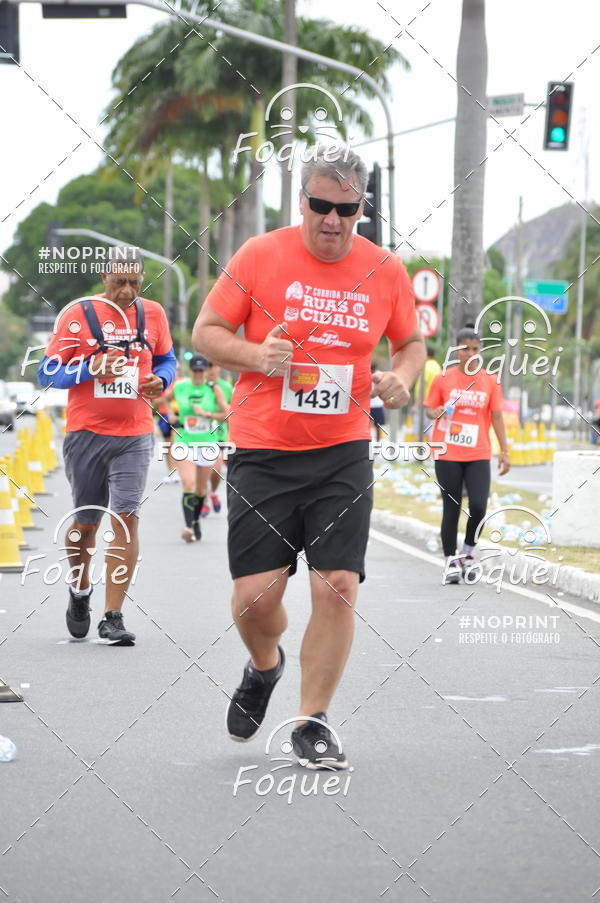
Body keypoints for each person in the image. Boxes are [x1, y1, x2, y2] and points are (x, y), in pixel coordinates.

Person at [193, 145, 425, 769]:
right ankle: (264, 667)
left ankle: (312, 721)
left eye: (346, 209)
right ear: (302, 201)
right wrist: (253, 356)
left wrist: (402, 376)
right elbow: (206, 330)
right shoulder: (260, 255)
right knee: (254, 599)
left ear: (361, 208)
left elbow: (410, 342)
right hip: (264, 451)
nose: (332, 220)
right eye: (320, 205)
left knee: (338, 584)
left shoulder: (385, 270)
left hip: (343, 450)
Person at [38, 247, 176, 644]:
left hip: (134, 433)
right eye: (120, 283)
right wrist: (87, 368)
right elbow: (47, 373)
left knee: (126, 518)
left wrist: (161, 381)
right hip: (87, 433)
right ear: (104, 278)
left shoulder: (153, 314)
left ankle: (112, 616)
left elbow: (167, 360)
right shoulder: (78, 314)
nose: (128, 291)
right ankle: (80, 591)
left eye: (135, 283)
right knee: (86, 523)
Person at [424, 323, 510, 585]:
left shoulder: (490, 381)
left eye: (475, 348)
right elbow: (429, 408)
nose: (470, 353)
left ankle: (467, 552)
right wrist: (436, 412)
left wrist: (504, 451)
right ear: (457, 350)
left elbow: (496, 416)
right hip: (448, 451)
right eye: (465, 349)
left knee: (479, 506)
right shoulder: (443, 378)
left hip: (478, 452)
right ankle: (451, 561)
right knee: (452, 509)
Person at [165, 354, 231, 542]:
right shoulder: (181, 387)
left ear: (206, 371)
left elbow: (226, 414)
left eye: (202, 371)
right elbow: (164, 400)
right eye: (195, 370)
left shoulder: (214, 389)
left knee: (201, 489)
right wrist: (171, 414)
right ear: (191, 370)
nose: (199, 374)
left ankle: (195, 522)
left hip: (207, 443)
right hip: (185, 441)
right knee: (189, 484)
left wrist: (207, 413)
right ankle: (187, 527)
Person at [203, 362, 234, 514]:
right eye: (207, 367)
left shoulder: (226, 388)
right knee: (205, 468)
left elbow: (230, 416)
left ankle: (212, 493)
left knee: (217, 470)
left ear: (219, 367)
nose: (211, 370)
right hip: (201, 435)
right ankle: (204, 501)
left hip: (222, 434)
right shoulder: (197, 388)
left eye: (214, 366)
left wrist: (210, 415)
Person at [369, 361, 386, 441]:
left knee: (378, 425)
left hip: (378, 405)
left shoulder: (380, 374)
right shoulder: (366, 373)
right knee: (366, 425)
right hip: (368, 405)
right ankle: (368, 441)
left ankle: (378, 442)